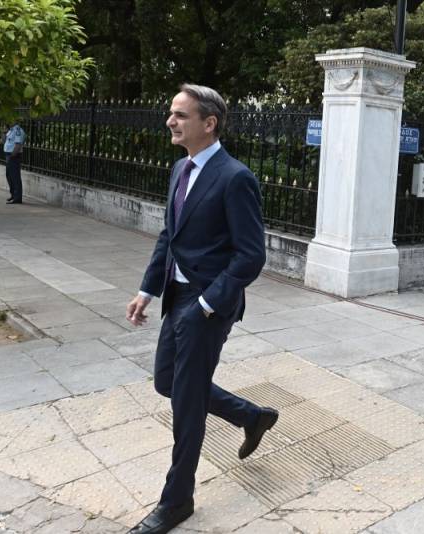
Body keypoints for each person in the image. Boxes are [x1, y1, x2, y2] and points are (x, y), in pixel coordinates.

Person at [125, 85, 277, 534]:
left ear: (208, 123)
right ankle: (251, 416)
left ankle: (177, 502)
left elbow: (251, 255)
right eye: (171, 113)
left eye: (180, 115)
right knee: (167, 382)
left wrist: (208, 304)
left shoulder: (235, 177)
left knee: (187, 402)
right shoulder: (180, 168)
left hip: (208, 304)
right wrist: (147, 290)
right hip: (177, 297)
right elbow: (168, 237)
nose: (170, 121)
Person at [3, 121, 25, 204]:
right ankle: (13, 195)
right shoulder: (11, 130)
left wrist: (12, 156)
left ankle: (17, 198)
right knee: (9, 176)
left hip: (14, 156)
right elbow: (5, 141)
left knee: (15, 177)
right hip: (9, 155)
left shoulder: (18, 130)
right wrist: (4, 132)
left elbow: (18, 145)